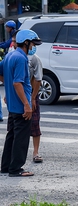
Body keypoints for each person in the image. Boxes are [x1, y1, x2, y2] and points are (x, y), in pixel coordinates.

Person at [0, 29, 42, 177]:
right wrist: (26, 104)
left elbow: (2, 74)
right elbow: (18, 83)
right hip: (20, 105)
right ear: (26, 42)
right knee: (21, 137)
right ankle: (16, 168)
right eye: (32, 44)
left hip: (12, 104)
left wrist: (9, 92)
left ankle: (6, 166)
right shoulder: (21, 58)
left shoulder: (10, 55)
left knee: (11, 135)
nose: (32, 46)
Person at [10, 29, 44, 163]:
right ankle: (15, 163)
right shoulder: (17, 57)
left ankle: (35, 152)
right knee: (16, 130)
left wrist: (33, 98)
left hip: (29, 96)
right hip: (21, 98)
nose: (33, 47)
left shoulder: (34, 59)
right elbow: (15, 81)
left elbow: (38, 80)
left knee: (34, 126)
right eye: (33, 44)